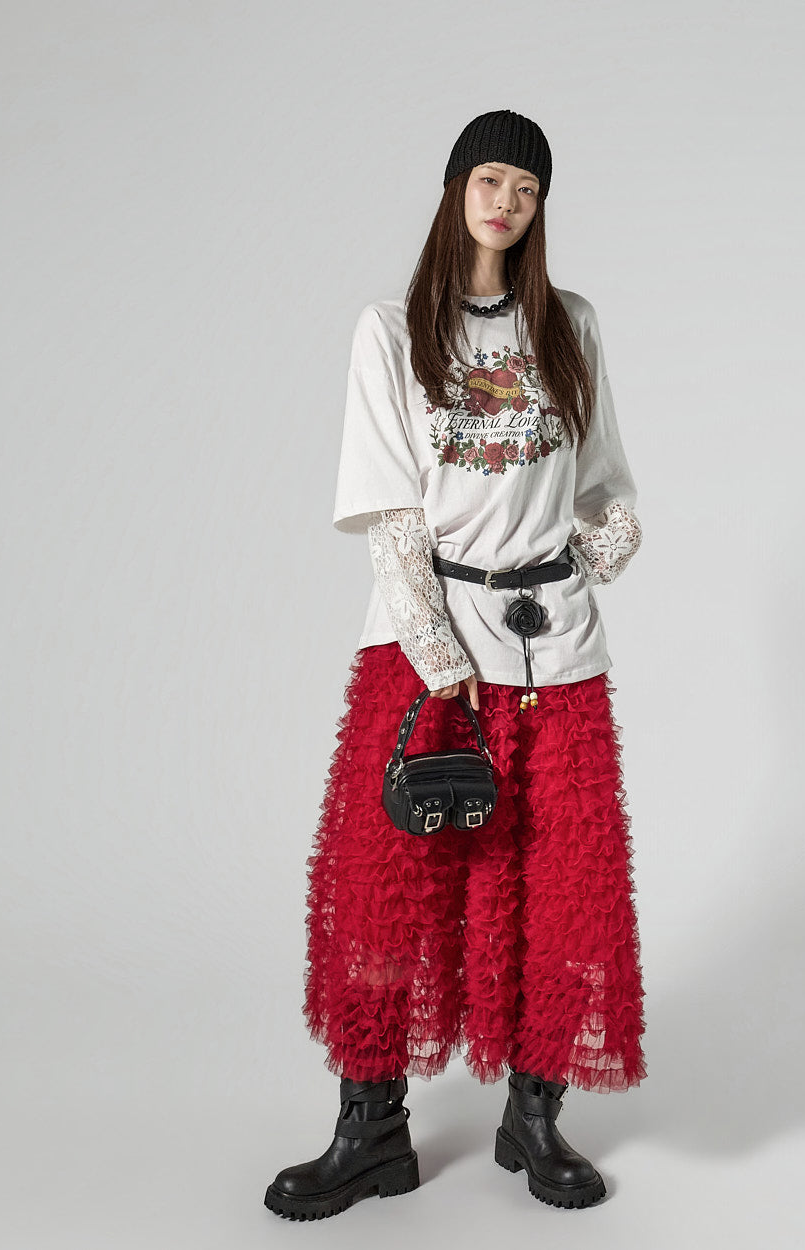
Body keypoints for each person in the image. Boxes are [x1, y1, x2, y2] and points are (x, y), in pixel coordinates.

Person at [264, 109, 647, 1222]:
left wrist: (570, 570)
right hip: (427, 652)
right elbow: (391, 513)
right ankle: (370, 1129)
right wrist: (439, 652)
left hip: (554, 654)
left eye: (526, 189)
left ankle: (535, 1117)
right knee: (389, 892)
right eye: (489, 180)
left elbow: (612, 497)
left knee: (560, 889)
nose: (506, 203)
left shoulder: (570, 327)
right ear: (455, 189)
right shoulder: (392, 330)